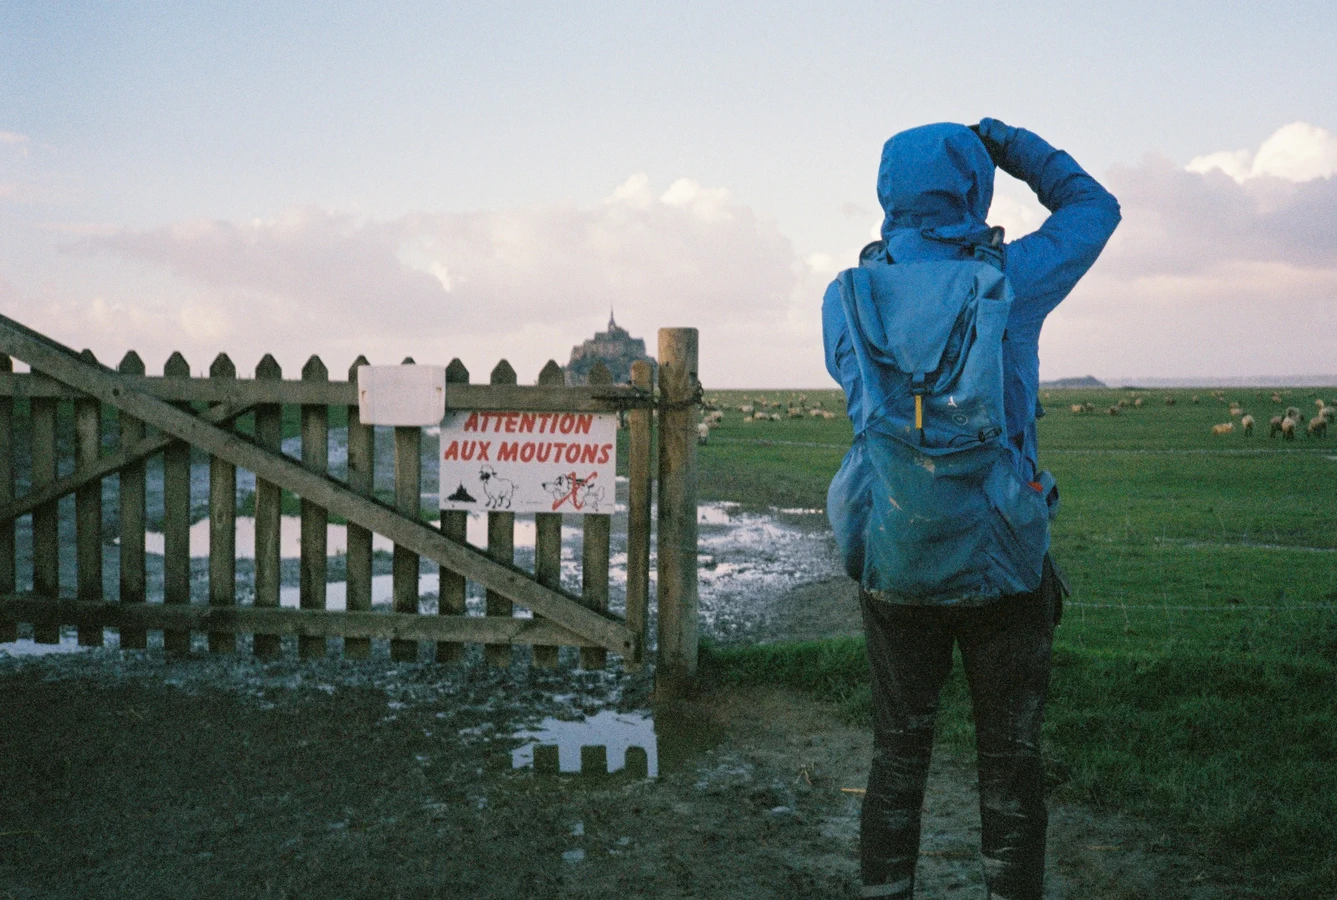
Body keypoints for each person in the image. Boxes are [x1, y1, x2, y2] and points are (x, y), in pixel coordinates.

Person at [822, 120, 1121, 899]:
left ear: (888, 189)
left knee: (895, 756)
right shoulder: (1009, 280)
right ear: (971, 186)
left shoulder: (845, 296)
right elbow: (1095, 208)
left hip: (892, 552)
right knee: (1011, 759)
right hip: (1004, 563)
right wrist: (1011, 144)